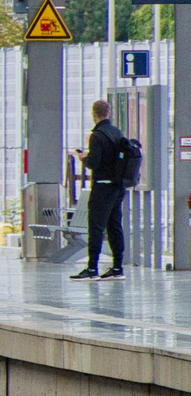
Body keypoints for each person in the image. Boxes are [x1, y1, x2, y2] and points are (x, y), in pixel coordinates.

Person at [74, 100, 128, 280]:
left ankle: (91, 269)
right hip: (117, 187)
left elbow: (93, 163)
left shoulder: (97, 135)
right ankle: (118, 267)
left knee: (96, 227)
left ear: (94, 114)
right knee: (114, 226)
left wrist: (83, 157)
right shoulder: (116, 132)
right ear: (109, 112)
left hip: (102, 186)